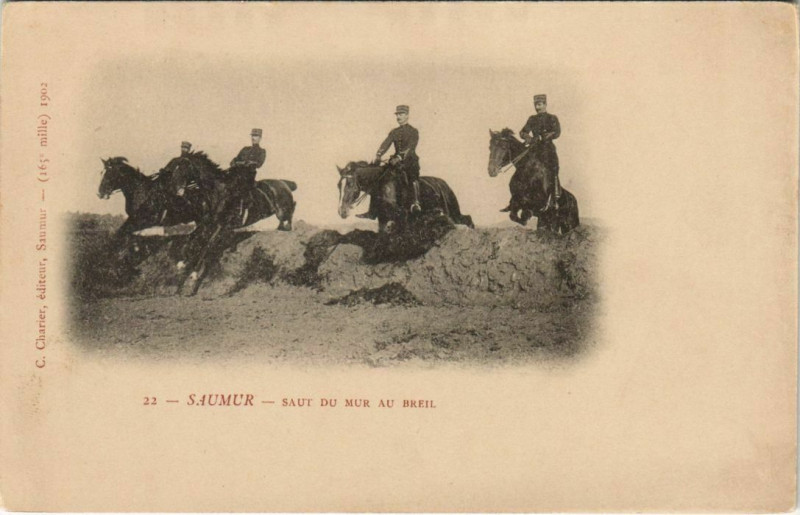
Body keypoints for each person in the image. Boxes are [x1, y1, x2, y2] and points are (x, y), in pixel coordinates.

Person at [357, 105, 421, 219]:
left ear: (407, 115)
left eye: (401, 114)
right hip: (395, 162)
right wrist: (378, 154)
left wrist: (400, 157)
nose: (398, 117)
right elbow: (386, 143)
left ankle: (415, 203)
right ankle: (372, 211)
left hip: (410, 162)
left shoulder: (413, 131)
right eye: (397, 115)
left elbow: (410, 148)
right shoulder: (394, 132)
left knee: (412, 177)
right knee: (379, 177)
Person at [520, 94, 561, 211]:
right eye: (535, 105)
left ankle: (554, 196)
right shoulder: (531, 119)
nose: (537, 107)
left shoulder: (552, 118)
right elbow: (522, 132)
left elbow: (557, 132)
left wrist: (546, 136)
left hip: (548, 149)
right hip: (535, 149)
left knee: (554, 169)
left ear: (545, 104)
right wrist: (529, 138)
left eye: (539, 104)